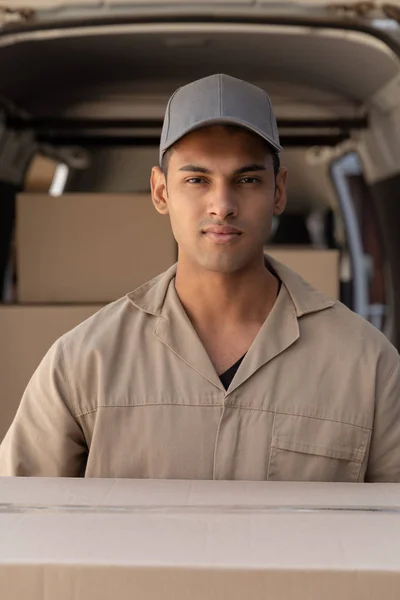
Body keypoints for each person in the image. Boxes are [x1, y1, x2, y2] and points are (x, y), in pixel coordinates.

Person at [1, 73, 399, 481]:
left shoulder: (366, 366)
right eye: (197, 180)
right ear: (160, 192)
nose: (222, 205)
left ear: (278, 191)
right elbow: (14, 518)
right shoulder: (85, 361)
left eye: (247, 180)